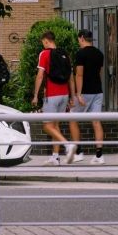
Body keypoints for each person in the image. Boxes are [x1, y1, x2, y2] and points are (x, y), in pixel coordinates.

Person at [32, 30, 77, 166]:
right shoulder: (65, 55)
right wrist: (72, 97)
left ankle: (68, 145)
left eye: (43, 42)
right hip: (64, 94)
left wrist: (35, 95)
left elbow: (40, 76)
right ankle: (55, 157)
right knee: (55, 125)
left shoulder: (44, 54)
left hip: (52, 95)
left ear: (46, 40)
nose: (43, 44)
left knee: (47, 126)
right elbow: (71, 78)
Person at [73, 29, 105, 165]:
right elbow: (100, 73)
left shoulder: (80, 54)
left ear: (81, 38)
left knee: (72, 119)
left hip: (85, 92)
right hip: (98, 91)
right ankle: (99, 155)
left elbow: (79, 75)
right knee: (96, 122)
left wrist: (78, 93)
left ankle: (78, 152)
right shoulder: (99, 53)